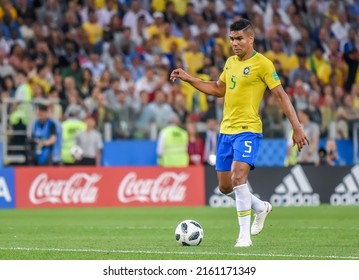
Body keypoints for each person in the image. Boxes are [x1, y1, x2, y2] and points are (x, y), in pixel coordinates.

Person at [170, 19, 309, 247]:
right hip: (226, 131)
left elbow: (281, 96)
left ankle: (243, 237)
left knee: (238, 176)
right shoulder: (230, 62)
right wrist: (189, 78)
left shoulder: (263, 64)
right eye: (232, 39)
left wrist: (297, 126)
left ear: (251, 39)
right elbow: (218, 89)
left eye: (239, 39)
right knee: (225, 186)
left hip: (248, 130)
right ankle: (260, 207)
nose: (234, 43)